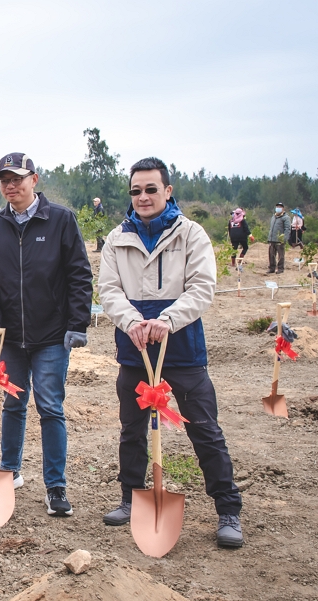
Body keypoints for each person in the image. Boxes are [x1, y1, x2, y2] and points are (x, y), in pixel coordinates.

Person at [97, 156, 243, 548]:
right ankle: (130, 498)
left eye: (150, 189)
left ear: (167, 191)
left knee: (205, 430)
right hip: (136, 351)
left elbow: (202, 287)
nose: (143, 197)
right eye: (136, 191)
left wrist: (167, 319)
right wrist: (131, 322)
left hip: (182, 350)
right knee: (132, 430)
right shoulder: (116, 238)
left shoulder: (190, 234)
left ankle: (228, 509)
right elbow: (109, 290)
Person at [0, 152, 93, 516]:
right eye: (4, 180)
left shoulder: (60, 220)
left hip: (52, 336)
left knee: (50, 407)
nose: (11, 186)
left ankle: (55, 486)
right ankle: (10, 470)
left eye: (18, 179)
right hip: (11, 337)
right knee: (12, 404)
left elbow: (79, 275)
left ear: (34, 180)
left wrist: (77, 324)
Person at [266, 202, 290, 274]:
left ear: (283, 208)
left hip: (280, 240)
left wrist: (284, 239)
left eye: (280, 207)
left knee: (281, 255)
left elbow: (287, 229)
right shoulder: (273, 216)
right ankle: (271, 268)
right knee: (271, 254)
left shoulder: (286, 218)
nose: (278, 208)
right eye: (277, 207)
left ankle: (280, 269)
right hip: (272, 239)